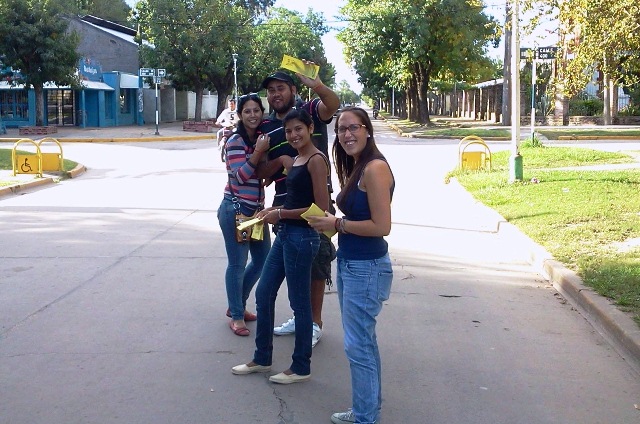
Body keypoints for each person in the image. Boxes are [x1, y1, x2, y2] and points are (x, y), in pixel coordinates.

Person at [307, 107, 395, 424]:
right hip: (352, 264)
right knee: (363, 345)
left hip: (366, 268)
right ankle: (366, 411)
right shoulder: (359, 165)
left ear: (367, 130)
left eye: (353, 127)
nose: (347, 134)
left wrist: (338, 224)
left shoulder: (375, 168)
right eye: (341, 129)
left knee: (358, 347)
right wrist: (332, 223)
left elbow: (382, 226)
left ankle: (365, 417)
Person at [231, 108, 330, 384]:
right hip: (286, 234)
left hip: (302, 238)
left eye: (299, 129)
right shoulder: (297, 158)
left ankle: (300, 367)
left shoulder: (316, 160)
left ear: (310, 128)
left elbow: (321, 209)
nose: (293, 135)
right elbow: (296, 198)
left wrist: (281, 213)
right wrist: (273, 210)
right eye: (288, 131)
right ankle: (262, 358)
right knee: (264, 294)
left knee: (300, 303)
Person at [256, 69, 340, 347]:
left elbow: (333, 104)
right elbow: (262, 171)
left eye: (281, 88)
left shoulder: (309, 111)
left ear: (293, 90)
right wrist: (280, 160)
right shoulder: (267, 127)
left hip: (312, 204)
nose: (276, 94)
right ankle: (300, 318)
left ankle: (314, 322)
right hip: (284, 202)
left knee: (316, 266)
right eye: (271, 90)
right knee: (295, 269)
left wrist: (317, 85)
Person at [218, 94, 271, 337]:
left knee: (262, 260)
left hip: (257, 212)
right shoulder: (235, 141)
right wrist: (258, 152)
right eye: (247, 111)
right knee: (237, 264)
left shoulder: (260, 139)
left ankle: (236, 303)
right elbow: (240, 176)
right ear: (240, 115)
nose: (252, 115)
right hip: (236, 210)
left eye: (256, 110)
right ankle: (237, 316)